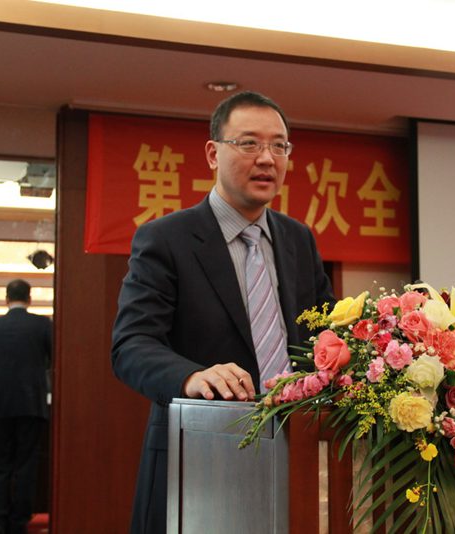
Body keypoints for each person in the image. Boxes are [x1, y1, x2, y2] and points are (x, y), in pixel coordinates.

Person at [111, 90, 336, 534]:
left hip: (297, 456)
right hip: (200, 459)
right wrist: (191, 377)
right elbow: (130, 346)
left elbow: (324, 337)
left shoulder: (298, 240)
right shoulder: (166, 239)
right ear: (213, 154)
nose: (267, 158)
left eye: (279, 146)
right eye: (249, 143)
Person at [0, 279, 53, 534]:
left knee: (1, 465)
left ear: (6, 299)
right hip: (31, 403)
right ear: (30, 299)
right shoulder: (43, 325)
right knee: (26, 464)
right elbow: (55, 361)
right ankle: (19, 521)